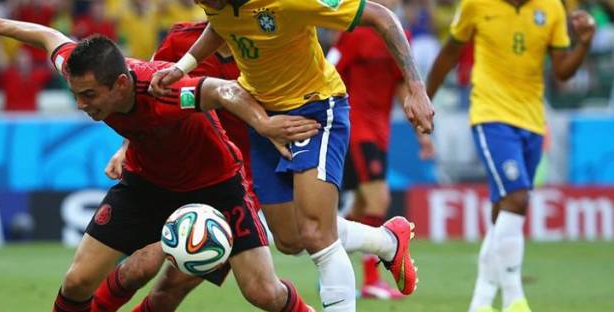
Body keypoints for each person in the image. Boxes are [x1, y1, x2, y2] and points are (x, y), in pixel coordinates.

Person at [0, 1, 321, 311]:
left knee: (263, 293)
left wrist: (266, 125)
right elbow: (47, 35)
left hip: (216, 186)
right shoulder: (85, 68)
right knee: (77, 281)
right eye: (75, 94)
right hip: (146, 183)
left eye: (89, 96)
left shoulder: (163, 92)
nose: (81, 105)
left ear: (120, 85)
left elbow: (223, 91)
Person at [150, 1, 435, 310]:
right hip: (264, 119)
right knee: (289, 239)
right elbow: (222, 26)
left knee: (316, 234)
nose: (200, 2)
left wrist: (416, 88)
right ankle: (387, 242)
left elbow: (382, 16)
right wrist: (181, 67)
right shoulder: (217, 5)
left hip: (315, 110)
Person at [425, 0, 596, 311]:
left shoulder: (551, 8)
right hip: (490, 115)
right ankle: (514, 299)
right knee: (517, 199)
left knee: (503, 209)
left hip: (532, 120)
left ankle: (480, 301)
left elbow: (562, 71)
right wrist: (424, 99)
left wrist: (584, 43)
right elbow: (451, 52)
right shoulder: (476, 5)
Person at [92, 21, 253, 312]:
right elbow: (144, 100)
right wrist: (125, 147)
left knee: (172, 288)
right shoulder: (181, 41)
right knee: (139, 267)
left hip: (234, 180)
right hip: (173, 173)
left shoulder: (268, 43)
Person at [328, 0, 434, 300]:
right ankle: (372, 279)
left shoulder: (400, 35)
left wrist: (422, 135)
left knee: (362, 204)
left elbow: (404, 84)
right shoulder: (355, 33)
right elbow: (328, 68)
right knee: (379, 196)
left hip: (380, 129)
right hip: (355, 126)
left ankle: (332, 243)